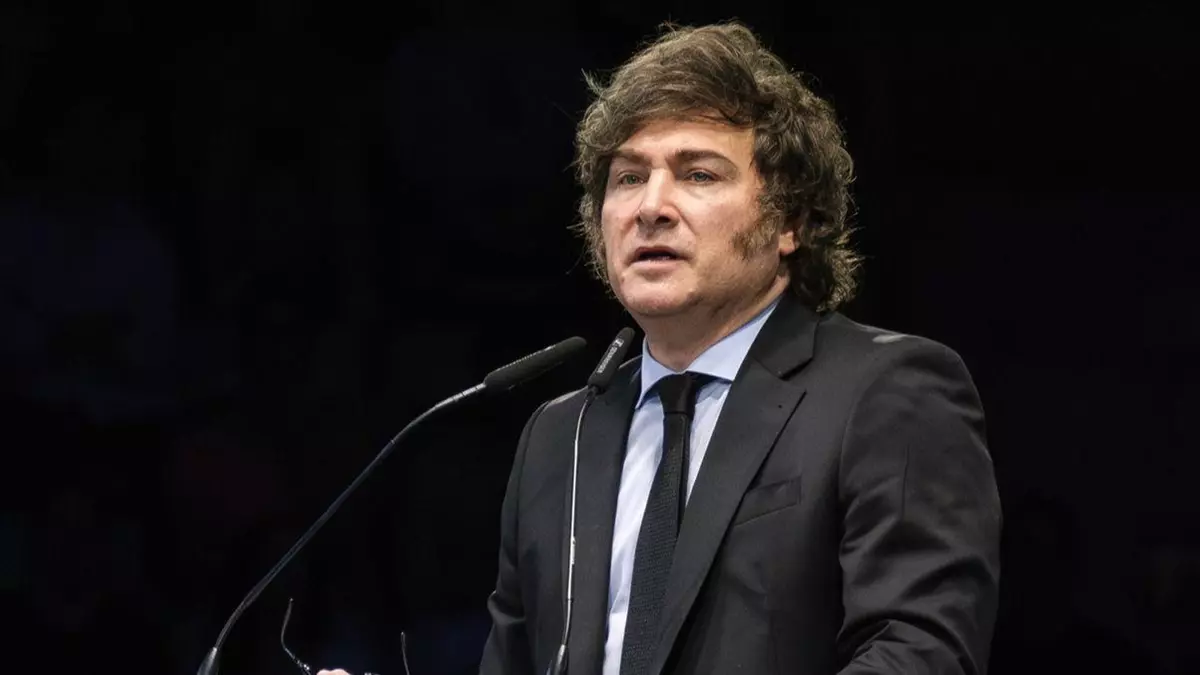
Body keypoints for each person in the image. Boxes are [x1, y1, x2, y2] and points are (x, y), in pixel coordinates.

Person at [326, 19, 1002, 675]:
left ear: (791, 220)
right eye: (627, 178)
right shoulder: (560, 436)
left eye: (698, 174)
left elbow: (919, 651)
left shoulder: (884, 391)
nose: (651, 206)